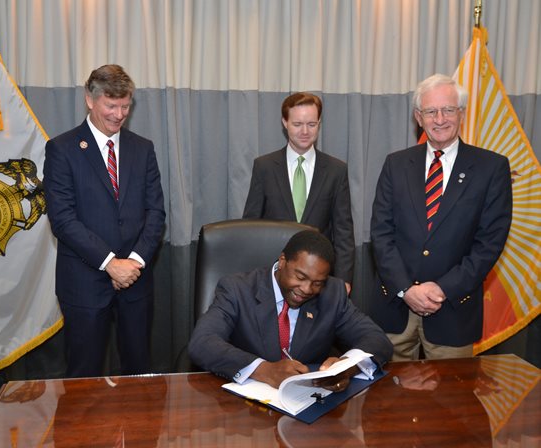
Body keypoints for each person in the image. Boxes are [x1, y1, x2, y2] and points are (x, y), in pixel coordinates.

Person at [370, 73, 512, 360]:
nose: (440, 119)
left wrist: (442, 289)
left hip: (453, 312)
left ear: (461, 114)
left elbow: (489, 244)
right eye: (430, 111)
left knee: (450, 403)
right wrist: (407, 289)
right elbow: (381, 234)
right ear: (418, 118)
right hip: (395, 309)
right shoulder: (395, 164)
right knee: (388, 400)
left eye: (448, 109)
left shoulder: (491, 168)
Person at [43, 64, 166, 377]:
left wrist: (133, 264)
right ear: (90, 99)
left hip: (136, 282)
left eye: (125, 106)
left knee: (138, 371)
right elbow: (63, 219)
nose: (119, 114)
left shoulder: (143, 148)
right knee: (84, 374)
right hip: (84, 282)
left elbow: (156, 213)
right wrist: (111, 263)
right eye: (111, 105)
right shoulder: (62, 149)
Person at [188, 230, 392, 390]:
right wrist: (264, 370)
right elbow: (202, 343)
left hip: (306, 408)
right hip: (245, 412)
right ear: (283, 261)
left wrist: (347, 367)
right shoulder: (237, 289)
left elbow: (377, 340)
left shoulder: (332, 294)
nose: (306, 289)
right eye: (300, 277)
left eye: (317, 283)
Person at [243, 92, 355, 292]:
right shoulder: (264, 167)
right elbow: (251, 226)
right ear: (284, 122)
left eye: (311, 124)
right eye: (297, 124)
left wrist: (344, 281)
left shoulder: (336, 170)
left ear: (319, 123)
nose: (305, 131)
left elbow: (343, 231)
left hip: (319, 278)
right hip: (274, 275)